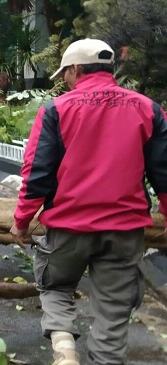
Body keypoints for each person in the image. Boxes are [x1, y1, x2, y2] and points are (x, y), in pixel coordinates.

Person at [9, 38, 167, 365]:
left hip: (67, 226)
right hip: (125, 230)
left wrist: (21, 220)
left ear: (77, 69)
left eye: (65, 74)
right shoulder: (148, 109)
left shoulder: (56, 109)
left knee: (55, 287)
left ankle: (65, 352)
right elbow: (163, 173)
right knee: (115, 307)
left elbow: (38, 174)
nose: (65, 81)